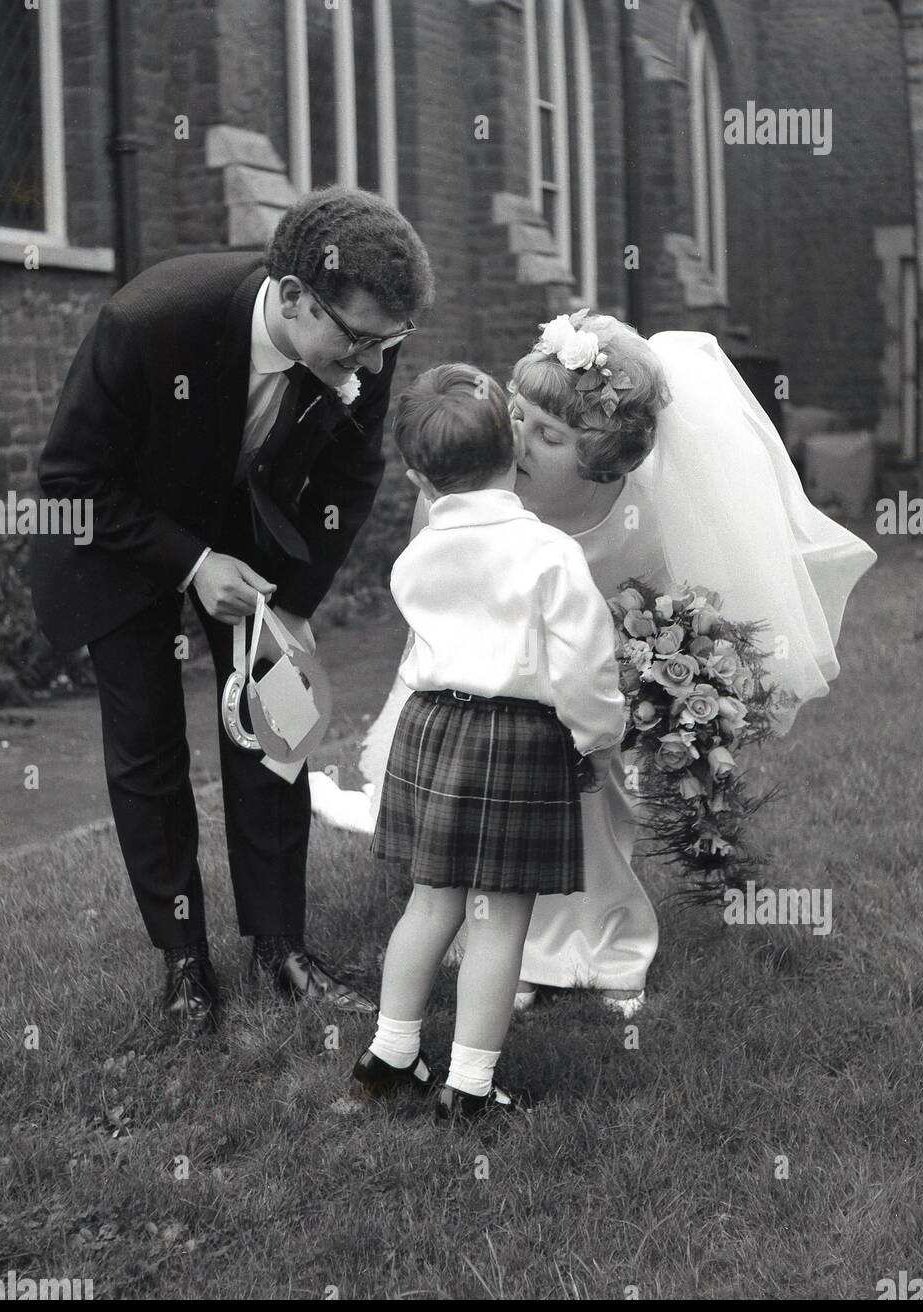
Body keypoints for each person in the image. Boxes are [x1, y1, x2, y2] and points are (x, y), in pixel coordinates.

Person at [327, 316, 876, 1018]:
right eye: (518, 417)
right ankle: (492, 943)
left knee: (590, 804)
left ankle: (602, 941)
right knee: (478, 810)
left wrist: (643, 682)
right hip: (482, 677)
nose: (518, 442)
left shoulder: (643, 515)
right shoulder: (475, 483)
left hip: (591, 679)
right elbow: (435, 594)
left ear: (603, 463)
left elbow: (669, 610)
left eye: (548, 437)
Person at [29, 186, 434, 1031]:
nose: (368, 364)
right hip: (121, 537)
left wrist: (295, 603)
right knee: (147, 747)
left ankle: (281, 948)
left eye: (386, 344)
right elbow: (68, 484)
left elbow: (350, 481)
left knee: (280, 728)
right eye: (355, 341)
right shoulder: (151, 321)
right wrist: (190, 563)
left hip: (259, 540)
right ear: (291, 298)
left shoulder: (365, 335)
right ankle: (184, 963)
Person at [348, 364, 625, 1122]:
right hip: (518, 738)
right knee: (499, 917)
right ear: (515, 450)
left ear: (418, 477)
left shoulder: (418, 557)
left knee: (429, 903)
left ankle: (389, 1053)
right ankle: (469, 1087)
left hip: (431, 727)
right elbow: (582, 666)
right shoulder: (549, 554)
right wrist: (600, 738)